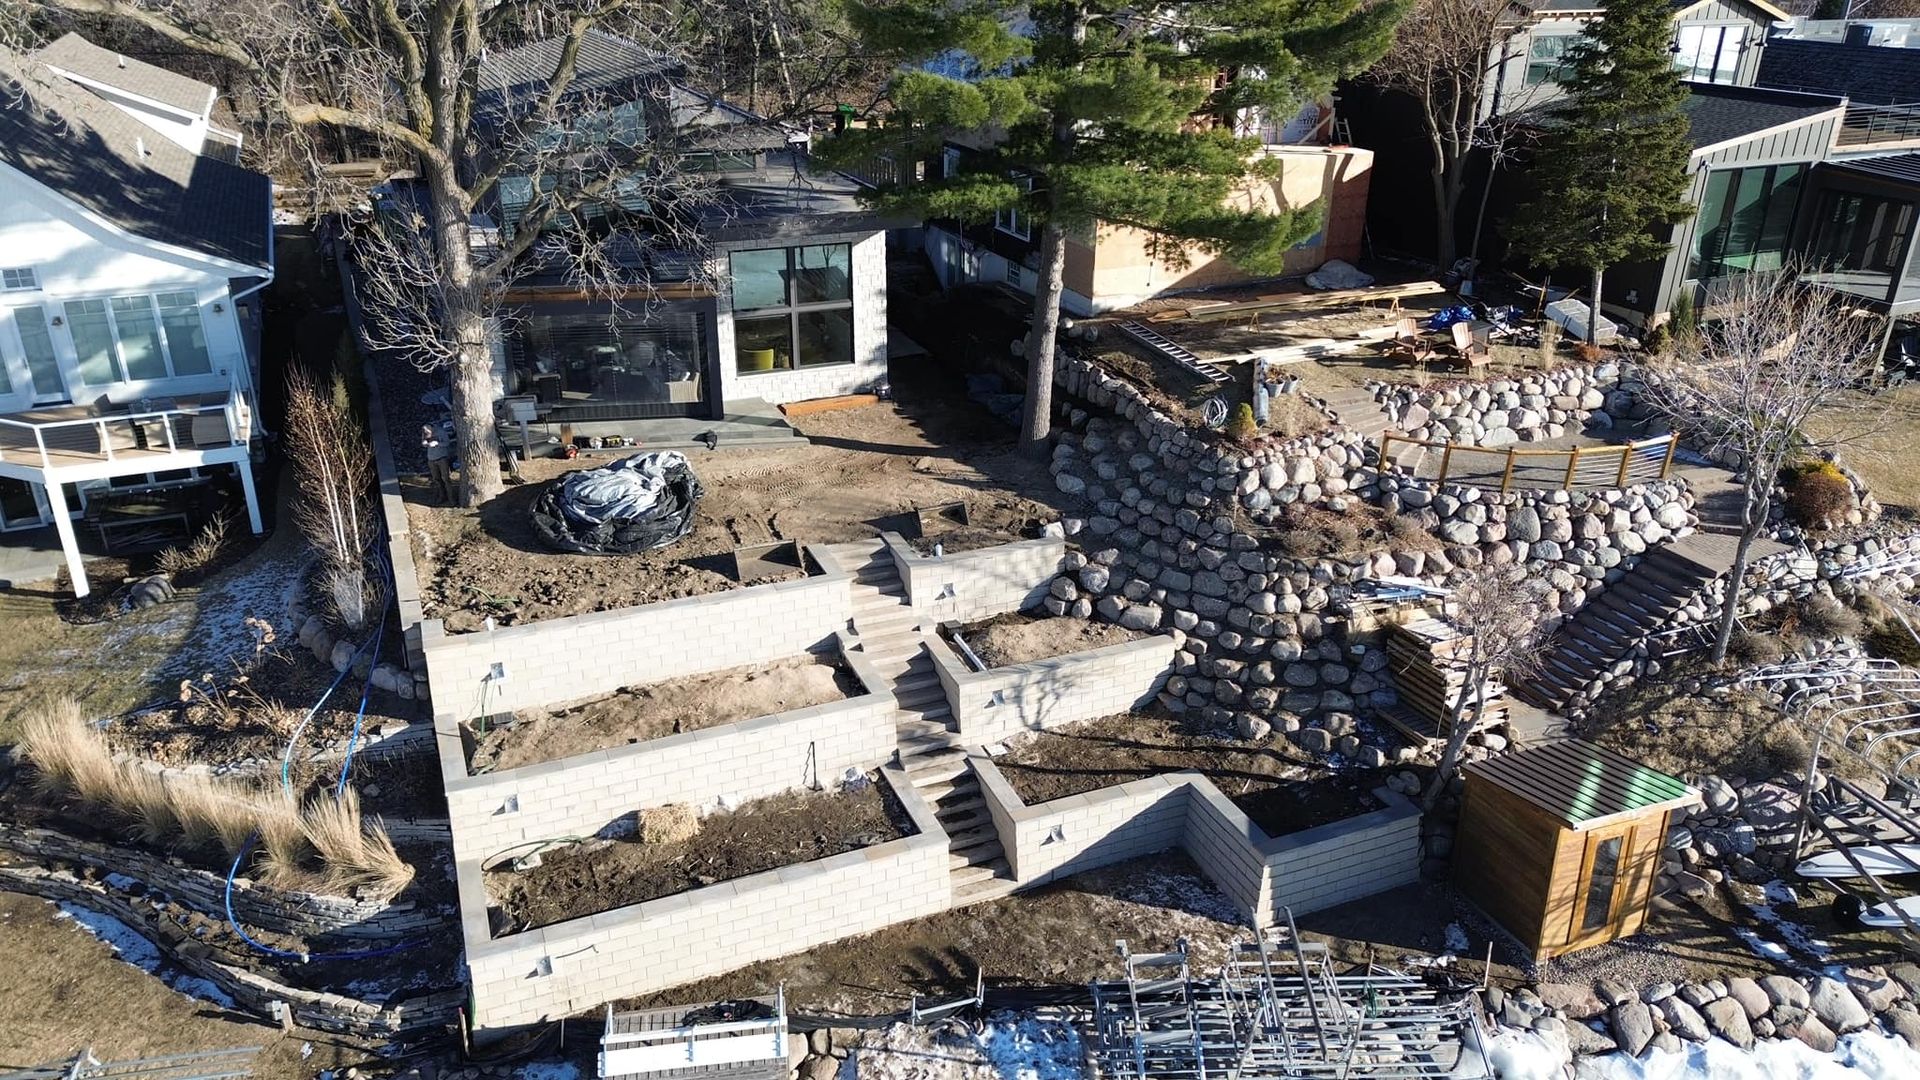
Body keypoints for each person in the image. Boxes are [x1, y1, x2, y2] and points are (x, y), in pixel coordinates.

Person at [421, 423, 454, 504]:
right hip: (431, 459)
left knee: (446, 479)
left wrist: (437, 443)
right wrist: (425, 443)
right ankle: (442, 496)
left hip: (442, 458)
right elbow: (423, 441)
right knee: (437, 479)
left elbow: (447, 443)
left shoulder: (441, 432)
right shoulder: (425, 431)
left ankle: (452, 498)